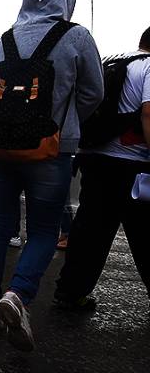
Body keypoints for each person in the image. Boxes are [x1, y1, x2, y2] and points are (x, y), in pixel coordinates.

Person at [0, 0, 103, 350]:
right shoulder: (76, 36)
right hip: (51, 149)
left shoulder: (6, 38)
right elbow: (94, 92)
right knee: (45, 230)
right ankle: (18, 294)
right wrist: (63, 123)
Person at [54, 26, 150, 311]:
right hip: (132, 163)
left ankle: (69, 293)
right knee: (145, 233)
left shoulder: (112, 60)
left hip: (94, 156)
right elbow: (148, 112)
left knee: (89, 231)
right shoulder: (147, 66)